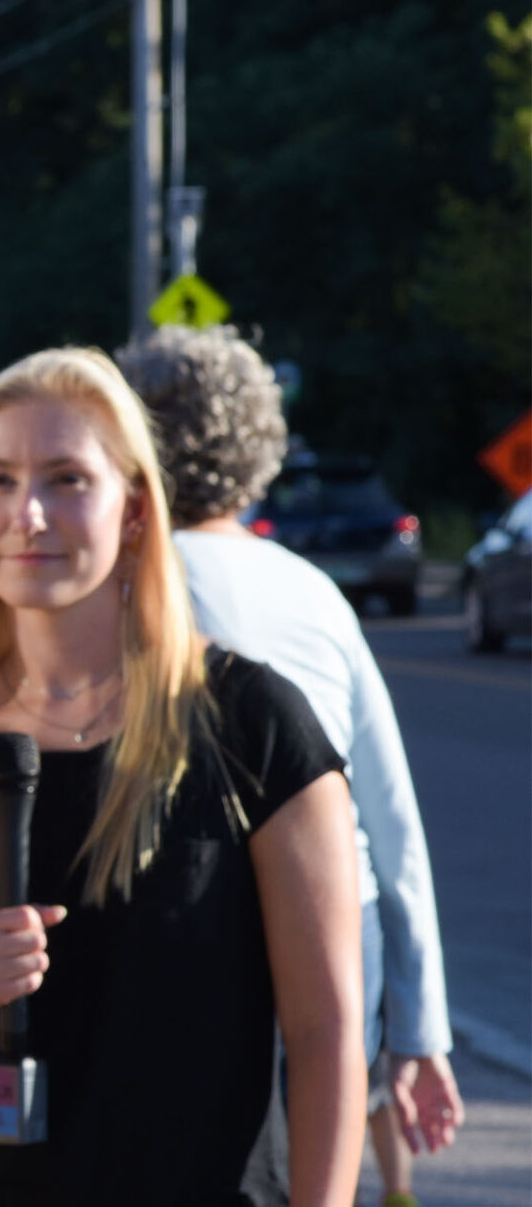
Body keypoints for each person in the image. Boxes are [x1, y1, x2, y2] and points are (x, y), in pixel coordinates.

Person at [0, 346, 365, 1207]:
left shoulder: (254, 723)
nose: (30, 514)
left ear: (133, 510)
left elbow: (326, 1034)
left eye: (66, 479)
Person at [117, 325, 462, 1207]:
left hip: (176, 966)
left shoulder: (116, 589)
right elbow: (393, 827)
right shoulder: (314, 593)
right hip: (340, 964)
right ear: (260, 445)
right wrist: (420, 1031)